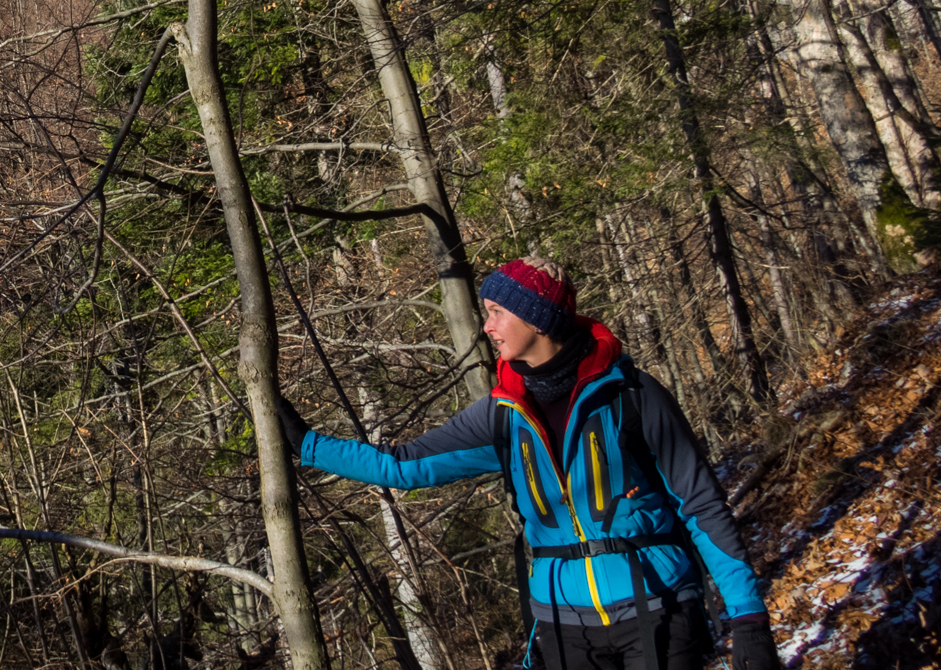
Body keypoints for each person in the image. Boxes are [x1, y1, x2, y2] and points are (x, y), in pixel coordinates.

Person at [273, 257, 781, 670]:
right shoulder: (502, 417)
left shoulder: (633, 396)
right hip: (560, 626)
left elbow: (703, 508)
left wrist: (749, 619)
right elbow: (402, 466)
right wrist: (308, 445)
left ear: (536, 317)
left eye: (497, 312)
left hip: (661, 614)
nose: (488, 326)